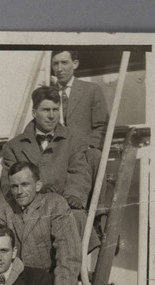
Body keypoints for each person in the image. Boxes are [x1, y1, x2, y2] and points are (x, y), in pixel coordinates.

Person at [0, 86, 92, 221]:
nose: (51, 116)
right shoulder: (13, 146)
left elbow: (79, 171)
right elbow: (8, 182)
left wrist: (73, 195)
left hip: (64, 204)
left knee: (78, 219)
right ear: (34, 112)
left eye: (55, 110)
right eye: (46, 110)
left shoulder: (73, 140)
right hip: (28, 208)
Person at [51, 50, 109, 187]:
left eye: (64, 63)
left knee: (95, 158)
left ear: (75, 64)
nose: (59, 69)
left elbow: (102, 126)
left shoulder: (92, 89)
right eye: (55, 64)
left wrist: (88, 147)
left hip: (84, 152)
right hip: (56, 154)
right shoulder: (47, 93)